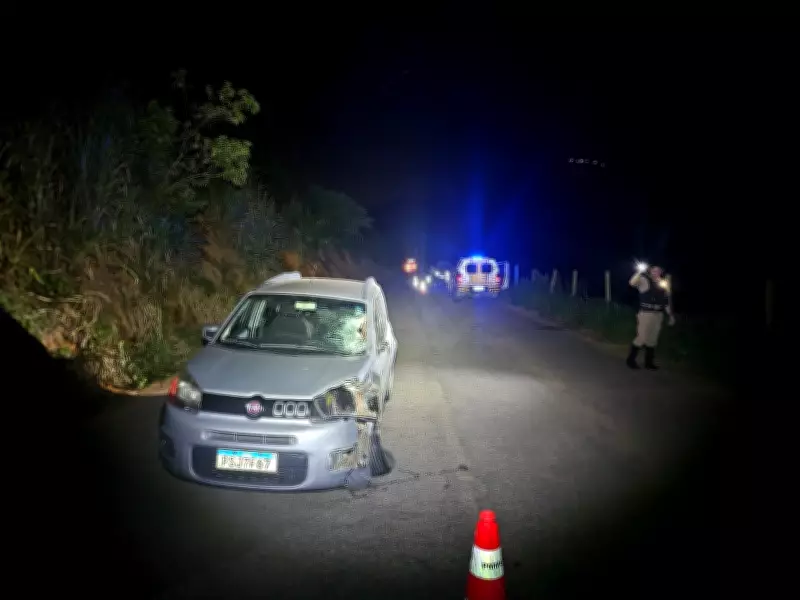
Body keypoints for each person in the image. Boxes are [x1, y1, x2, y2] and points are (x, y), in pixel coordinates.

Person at [626, 263, 675, 370]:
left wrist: (670, 315)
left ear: (661, 272)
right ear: (650, 271)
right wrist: (639, 272)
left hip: (658, 314)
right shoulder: (644, 280)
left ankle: (649, 363)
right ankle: (630, 360)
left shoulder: (663, 283)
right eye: (654, 270)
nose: (656, 272)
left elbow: (666, 302)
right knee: (642, 337)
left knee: (653, 339)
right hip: (646, 313)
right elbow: (632, 283)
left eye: (658, 270)